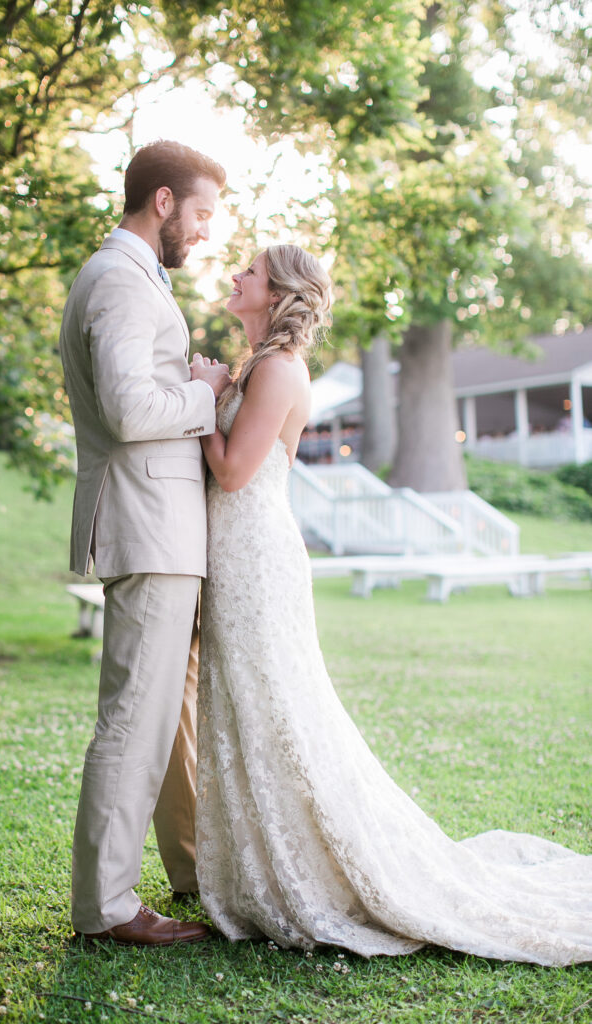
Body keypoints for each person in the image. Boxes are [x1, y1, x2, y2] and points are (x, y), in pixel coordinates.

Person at [194, 244, 592, 965]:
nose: (234, 277)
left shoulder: (279, 369)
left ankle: (311, 872)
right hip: (239, 556)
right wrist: (220, 386)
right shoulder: (258, 366)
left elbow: (230, 471)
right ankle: (263, 866)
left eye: (247, 271)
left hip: (255, 557)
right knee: (252, 706)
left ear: (278, 291)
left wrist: (199, 401)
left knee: (278, 707)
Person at [59, 140, 230, 946]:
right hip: (148, 526)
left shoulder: (131, 278)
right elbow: (131, 413)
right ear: (161, 202)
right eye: (198, 214)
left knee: (160, 717)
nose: (202, 233)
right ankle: (108, 907)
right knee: (134, 718)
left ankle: (189, 869)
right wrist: (202, 392)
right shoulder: (122, 283)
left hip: (156, 527)